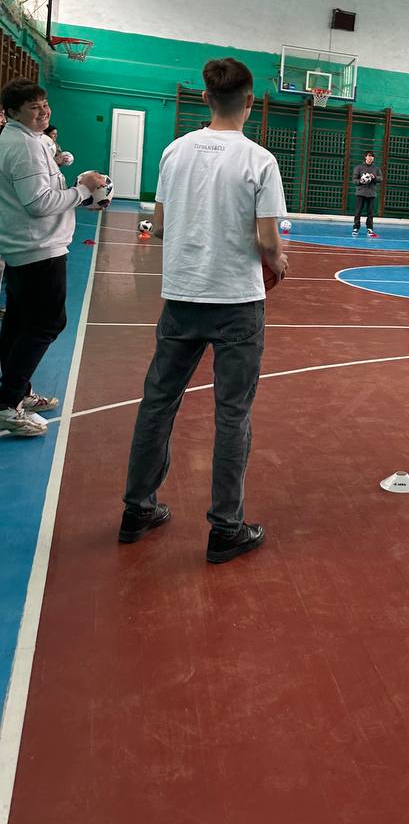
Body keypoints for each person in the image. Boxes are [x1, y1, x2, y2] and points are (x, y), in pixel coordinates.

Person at [119, 58, 288, 564]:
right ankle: (225, 529)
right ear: (250, 102)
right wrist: (279, 261)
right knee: (232, 414)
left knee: (158, 403)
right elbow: (267, 241)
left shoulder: (175, 151)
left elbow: (159, 227)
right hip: (237, 304)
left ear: (205, 98)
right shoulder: (260, 160)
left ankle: (136, 510)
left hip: (183, 296)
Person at [0, 78, 108, 437]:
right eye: (33, 107)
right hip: (38, 249)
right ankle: (7, 403)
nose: (43, 111)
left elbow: (43, 192)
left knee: (19, 323)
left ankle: (15, 392)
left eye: (44, 104)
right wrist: (82, 191)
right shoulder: (24, 145)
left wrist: (79, 192)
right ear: (13, 112)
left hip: (26, 247)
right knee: (46, 323)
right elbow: (38, 203)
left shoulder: (26, 139)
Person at [352, 150, 381, 237]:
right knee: (358, 212)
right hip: (360, 193)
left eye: (372, 156)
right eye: (369, 156)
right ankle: (356, 228)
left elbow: (381, 178)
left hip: (371, 194)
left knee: (370, 213)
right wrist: (361, 181)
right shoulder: (358, 167)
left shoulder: (376, 168)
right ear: (365, 157)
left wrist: (374, 177)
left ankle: (369, 229)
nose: (370, 157)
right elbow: (354, 180)